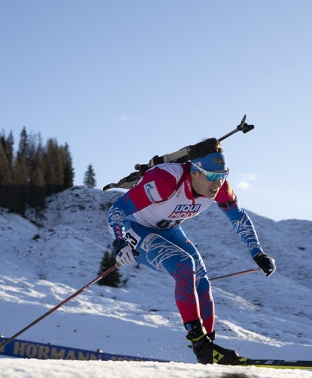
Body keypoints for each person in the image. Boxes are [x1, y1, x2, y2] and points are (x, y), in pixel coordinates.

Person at [107, 138, 275, 365]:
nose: (218, 183)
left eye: (224, 175)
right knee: (184, 263)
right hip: (136, 228)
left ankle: (208, 348)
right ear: (194, 171)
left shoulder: (220, 188)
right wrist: (119, 243)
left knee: (201, 279)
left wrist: (258, 253)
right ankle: (201, 344)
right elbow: (117, 210)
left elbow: (238, 218)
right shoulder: (165, 181)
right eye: (213, 176)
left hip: (168, 229)